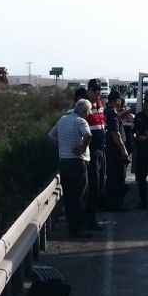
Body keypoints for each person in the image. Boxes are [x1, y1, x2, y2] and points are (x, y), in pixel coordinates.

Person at [48, 99, 93, 238]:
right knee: (79, 197)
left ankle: (71, 226)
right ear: (84, 112)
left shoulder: (62, 119)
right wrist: (82, 148)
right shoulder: (81, 121)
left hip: (64, 162)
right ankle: (78, 228)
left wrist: (63, 146)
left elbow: (50, 136)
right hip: (77, 163)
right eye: (88, 112)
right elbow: (88, 135)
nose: (89, 115)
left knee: (68, 197)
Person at [84, 78, 107, 230]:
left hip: (101, 149)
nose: (97, 92)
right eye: (94, 90)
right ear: (88, 91)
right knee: (92, 187)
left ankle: (92, 216)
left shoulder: (99, 104)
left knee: (99, 185)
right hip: (91, 151)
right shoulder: (84, 105)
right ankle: (90, 220)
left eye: (99, 89)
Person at [104, 90, 130, 211]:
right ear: (117, 101)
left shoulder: (107, 112)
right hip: (115, 152)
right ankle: (116, 204)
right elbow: (116, 134)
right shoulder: (112, 115)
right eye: (119, 100)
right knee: (118, 178)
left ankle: (111, 202)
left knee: (112, 177)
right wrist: (123, 150)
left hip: (110, 150)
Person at [133, 94, 148, 209]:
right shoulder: (139, 116)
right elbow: (134, 131)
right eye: (145, 101)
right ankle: (143, 200)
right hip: (142, 149)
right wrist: (137, 137)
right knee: (141, 177)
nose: (146, 103)